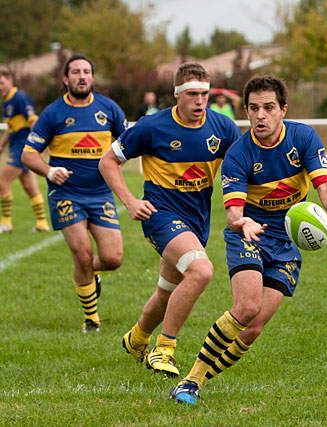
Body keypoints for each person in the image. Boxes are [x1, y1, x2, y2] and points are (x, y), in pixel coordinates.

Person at [169, 75, 327, 404]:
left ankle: (201, 381)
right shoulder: (239, 153)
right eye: (254, 109)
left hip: (286, 239)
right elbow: (233, 212)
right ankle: (189, 381)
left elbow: (323, 182)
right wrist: (243, 223)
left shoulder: (304, 137)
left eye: (268, 108)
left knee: (253, 329)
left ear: (283, 110)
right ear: (247, 112)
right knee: (247, 307)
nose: (260, 116)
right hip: (248, 233)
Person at [99, 63, 242, 376]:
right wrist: (130, 201)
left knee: (166, 291)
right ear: (177, 95)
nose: (199, 101)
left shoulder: (223, 128)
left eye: (204, 94)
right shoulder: (153, 127)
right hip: (160, 216)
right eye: (192, 94)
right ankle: (163, 349)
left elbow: (245, 166)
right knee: (201, 271)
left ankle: (136, 339)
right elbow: (108, 161)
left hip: (197, 221)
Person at [22, 54, 127, 332]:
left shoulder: (109, 109)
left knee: (113, 259)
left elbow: (128, 142)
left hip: (101, 193)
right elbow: (28, 154)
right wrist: (48, 171)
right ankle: (91, 318)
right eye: (76, 72)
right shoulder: (53, 113)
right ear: (65, 79)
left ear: (92, 77)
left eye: (87, 72)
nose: (82, 76)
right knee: (82, 255)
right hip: (66, 194)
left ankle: (89, 274)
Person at [0, 68, 50, 233]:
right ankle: (42, 224)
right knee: (30, 187)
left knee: (1, 182)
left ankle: (6, 223)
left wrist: (37, 146)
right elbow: (11, 127)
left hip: (22, 148)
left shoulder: (19, 98)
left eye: (2, 83)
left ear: (10, 81)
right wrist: (2, 144)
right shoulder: (6, 100)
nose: (0, 87)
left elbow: (34, 121)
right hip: (16, 146)